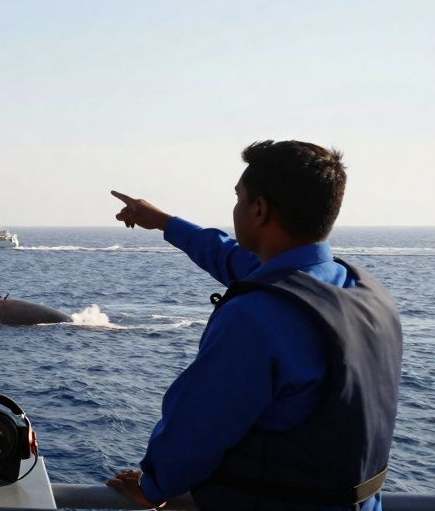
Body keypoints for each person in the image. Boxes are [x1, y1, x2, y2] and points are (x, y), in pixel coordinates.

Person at [104, 141, 402, 510]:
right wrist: (164, 222)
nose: (235, 208)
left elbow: (198, 427)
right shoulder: (364, 291)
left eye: (239, 197)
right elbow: (232, 257)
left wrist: (153, 486)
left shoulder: (257, 318)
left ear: (258, 209)